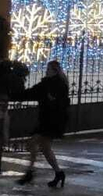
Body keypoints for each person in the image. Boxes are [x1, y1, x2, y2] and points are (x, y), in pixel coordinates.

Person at [19, 60, 70, 188]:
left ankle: (30, 172)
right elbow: (32, 93)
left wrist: (52, 101)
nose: (46, 71)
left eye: (48, 70)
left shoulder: (59, 85)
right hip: (47, 121)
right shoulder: (47, 84)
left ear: (54, 71)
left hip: (51, 122)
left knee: (32, 143)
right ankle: (59, 173)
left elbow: (62, 104)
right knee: (45, 149)